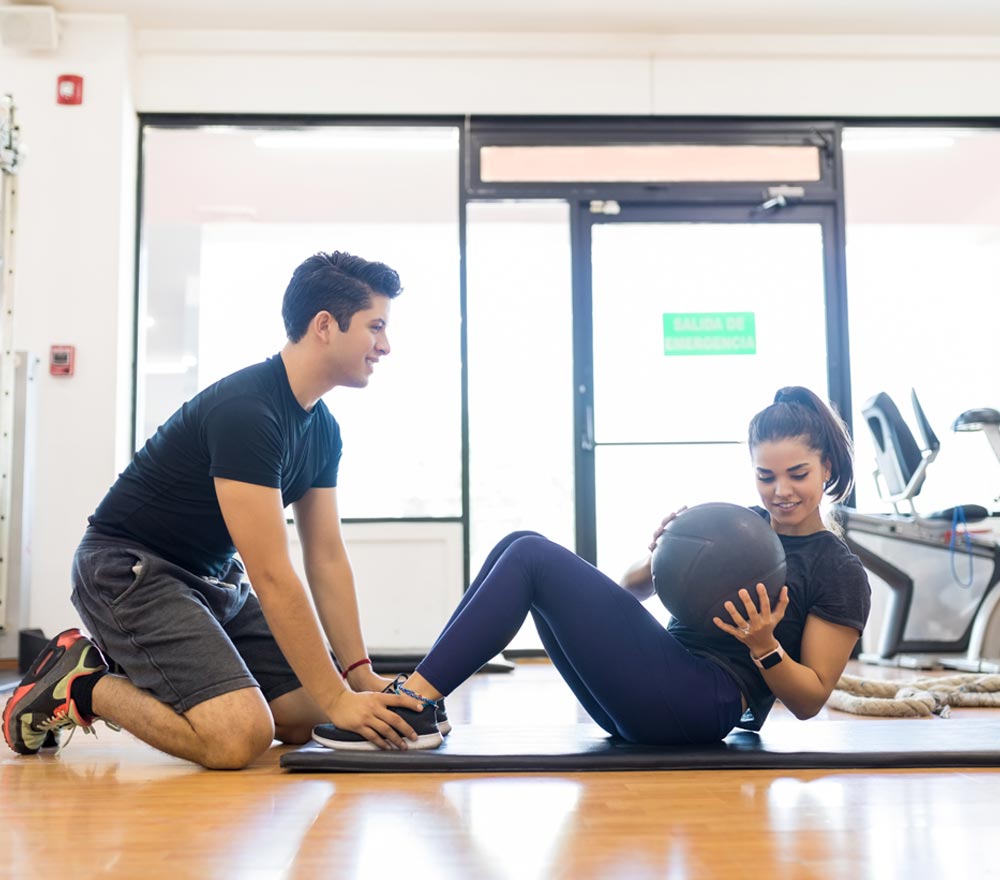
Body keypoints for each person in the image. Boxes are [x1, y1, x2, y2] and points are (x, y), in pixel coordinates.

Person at [3, 250, 437, 769]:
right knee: (236, 738)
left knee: (304, 717)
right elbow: (273, 575)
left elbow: (326, 558)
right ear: (325, 325)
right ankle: (81, 684)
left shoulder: (322, 430)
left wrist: (356, 674)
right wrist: (341, 698)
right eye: (376, 327)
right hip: (127, 573)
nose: (385, 346)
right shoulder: (249, 413)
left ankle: (166, 677)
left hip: (212, 581)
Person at [314, 385, 872, 749]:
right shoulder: (740, 526)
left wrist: (765, 645)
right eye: (765, 476)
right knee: (521, 539)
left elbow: (808, 701)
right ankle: (422, 702)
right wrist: (661, 557)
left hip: (704, 704)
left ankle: (413, 702)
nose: (781, 491)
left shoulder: (838, 570)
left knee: (532, 557)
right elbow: (629, 595)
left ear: (827, 464)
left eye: (797, 474)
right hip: (657, 684)